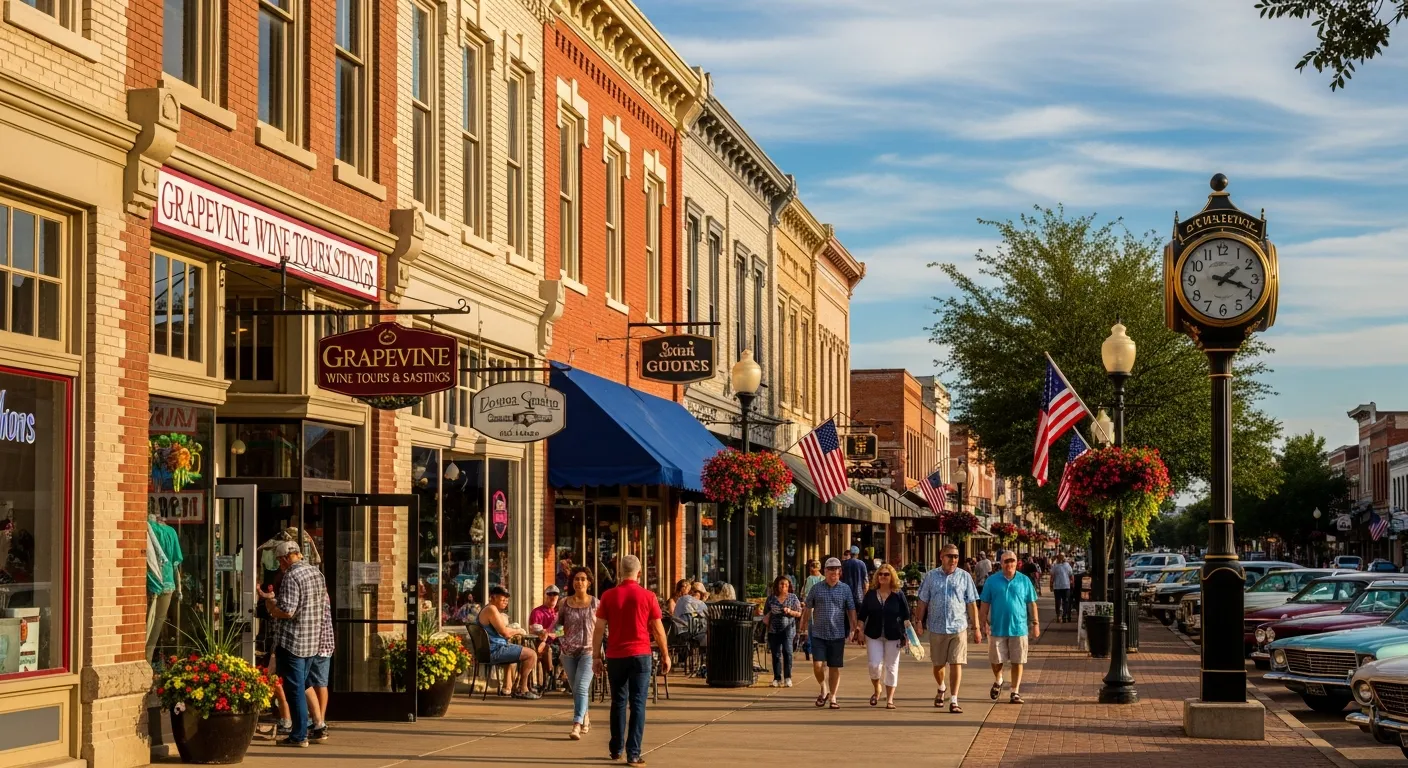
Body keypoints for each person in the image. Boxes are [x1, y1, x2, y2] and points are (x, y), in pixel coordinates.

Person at [592, 554, 670, 766]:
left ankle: (616, 748)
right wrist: (665, 654)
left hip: (615, 655)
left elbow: (599, 628)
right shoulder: (648, 596)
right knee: (638, 703)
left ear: (619, 572)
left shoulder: (608, 596)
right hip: (640, 654)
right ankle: (633, 753)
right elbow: (658, 629)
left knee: (618, 701)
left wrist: (595, 655)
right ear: (640, 572)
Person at [258, 541, 328, 747]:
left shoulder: (292, 575)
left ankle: (299, 735)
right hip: (312, 640)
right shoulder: (317, 574)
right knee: (303, 684)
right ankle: (313, 726)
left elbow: (287, 611)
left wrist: (271, 605)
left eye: (280, 560)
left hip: (293, 642)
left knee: (295, 689)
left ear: (287, 558)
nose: (280, 564)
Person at [915, 543, 982, 714]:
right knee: (938, 665)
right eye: (950, 556)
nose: (953, 560)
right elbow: (922, 601)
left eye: (956, 556)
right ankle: (941, 686)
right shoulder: (930, 576)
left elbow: (972, 603)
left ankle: (954, 699)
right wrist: (919, 622)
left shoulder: (965, 577)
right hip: (936, 627)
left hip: (958, 626)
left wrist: (977, 627)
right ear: (941, 557)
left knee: (956, 663)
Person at [800, 557, 861, 709]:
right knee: (818, 665)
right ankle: (823, 688)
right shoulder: (816, 588)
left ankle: (833, 696)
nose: (833, 572)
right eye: (830, 569)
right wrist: (802, 626)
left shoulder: (845, 589)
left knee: (834, 666)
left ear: (840, 571)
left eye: (836, 569)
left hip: (837, 633)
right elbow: (808, 607)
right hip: (818, 633)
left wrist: (854, 628)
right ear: (825, 571)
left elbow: (851, 609)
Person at [980, 550, 1040, 704]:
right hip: (997, 627)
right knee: (996, 660)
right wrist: (982, 624)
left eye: (1012, 561)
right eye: (1006, 561)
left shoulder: (1024, 580)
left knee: (1018, 660)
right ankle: (999, 680)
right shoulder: (992, 581)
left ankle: (1015, 691)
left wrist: (1035, 624)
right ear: (1001, 564)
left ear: (1016, 562)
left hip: (1019, 627)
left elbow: (1032, 603)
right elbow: (984, 603)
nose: (1009, 564)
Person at [554, 566, 599, 741]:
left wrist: (601, 651)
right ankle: (585, 716)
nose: (579, 582)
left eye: (582, 579)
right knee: (576, 690)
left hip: (589, 651)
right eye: (576, 579)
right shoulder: (564, 603)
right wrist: (560, 640)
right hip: (569, 652)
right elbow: (558, 625)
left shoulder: (596, 603)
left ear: (589, 582)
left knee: (581, 687)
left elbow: (602, 627)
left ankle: (576, 724)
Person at [858, 564, 911, 709]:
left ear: (892, 577)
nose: (883, 577)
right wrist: (859, 630)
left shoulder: (898, 594)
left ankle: (890, 699)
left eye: (886, 574)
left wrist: (908, 635)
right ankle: (877, 689)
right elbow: (862, 615)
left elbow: (906, 615)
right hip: (873, 634)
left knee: (891, 667)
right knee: (874, 665)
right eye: (880, 574)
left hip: (894, 634)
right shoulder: (871, 594)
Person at [478, 586, 541, 699]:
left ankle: (510, 687)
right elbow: (505, 633)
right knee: (531, 655)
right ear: (493, 598)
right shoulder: (491, 609)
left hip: (492, 649)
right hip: (495, 650)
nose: (506, 602)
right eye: (503, 600)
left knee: (519, 650)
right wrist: (519, 631)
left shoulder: (488, 610)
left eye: (507, 600)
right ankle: (523, 689)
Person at [764, 575, 803, 688]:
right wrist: (771, 613)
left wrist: (790, 611)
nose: (784, 587)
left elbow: (799, 613)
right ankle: (777, 678)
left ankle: (787, 677)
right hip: (773, 629)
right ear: (777, 585)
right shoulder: (771, 598)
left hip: (788, 629)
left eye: (786, 585)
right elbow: (766, 612)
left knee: (787, 653)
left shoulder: (792, 597)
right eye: (782, 584)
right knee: (776, 654)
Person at [530, 585, 562, 690]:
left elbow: (563, 630)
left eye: (555, 594)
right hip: (542, 643)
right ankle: (550, 676)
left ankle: (563, 678)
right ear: (545, 596)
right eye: (550, 594)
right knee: (548, 650)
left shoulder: (559, 613)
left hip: (559, 643)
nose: (552, 597)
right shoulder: (537, 612)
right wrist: (544, 632)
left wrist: (553, 633)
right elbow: (534, 629)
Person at [1050, 554, 1075, 623]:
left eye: (1062, 557)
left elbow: (1071, 575)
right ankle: (1059, 616)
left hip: (1065, 586)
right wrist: (1051, 585)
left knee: (1065, 602)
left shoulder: (1067, 565)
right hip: (1059, 587)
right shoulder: (1055, 566)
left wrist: (1072, 583)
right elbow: (1052, 577)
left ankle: (1064, 616)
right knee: (1060, 602)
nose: (1061, 559)